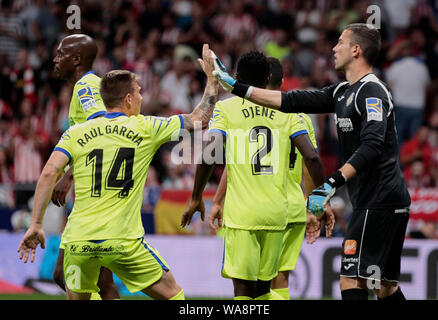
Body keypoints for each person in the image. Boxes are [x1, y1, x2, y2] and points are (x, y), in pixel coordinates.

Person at [211, 23, 411, 300]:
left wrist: (330, 183)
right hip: (379, 200)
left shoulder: (372, 92)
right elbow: (290, 100)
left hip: (379, 200)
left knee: (351, 282)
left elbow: (373, 145)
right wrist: (237, 87)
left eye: (340, 42)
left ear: (356, 50)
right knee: (383, 286)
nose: (333, 47)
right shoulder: (342, 92)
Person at [17, 45, 219, 299]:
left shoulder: (76, 132)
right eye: (139, 93)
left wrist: (36, 223)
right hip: (122, 242)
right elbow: (200, 118)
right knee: (174, 294)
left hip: (79, 242)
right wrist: (212, 80)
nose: (142, 98)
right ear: (128, 99)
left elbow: (48, 174)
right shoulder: (145, 127)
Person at [181, 51, 329, 300]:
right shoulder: (288, 110)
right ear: (269, 77)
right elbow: (312, 158)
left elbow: (209, 153)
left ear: (237, 77)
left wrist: (197, 196)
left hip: (242, 216)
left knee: (243, 292)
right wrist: (321, 198)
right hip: (276, 214)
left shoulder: (226, 109)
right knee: (264, 290)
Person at [51, 34, 118, 300]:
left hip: (96, 202)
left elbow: (103, 130)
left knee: (94, 279)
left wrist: (68, 177)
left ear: (76, 59)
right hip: (89, 198)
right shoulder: (83, 87)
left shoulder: (86, 86)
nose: (55, 59)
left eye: (60, 54)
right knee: (71, 275)